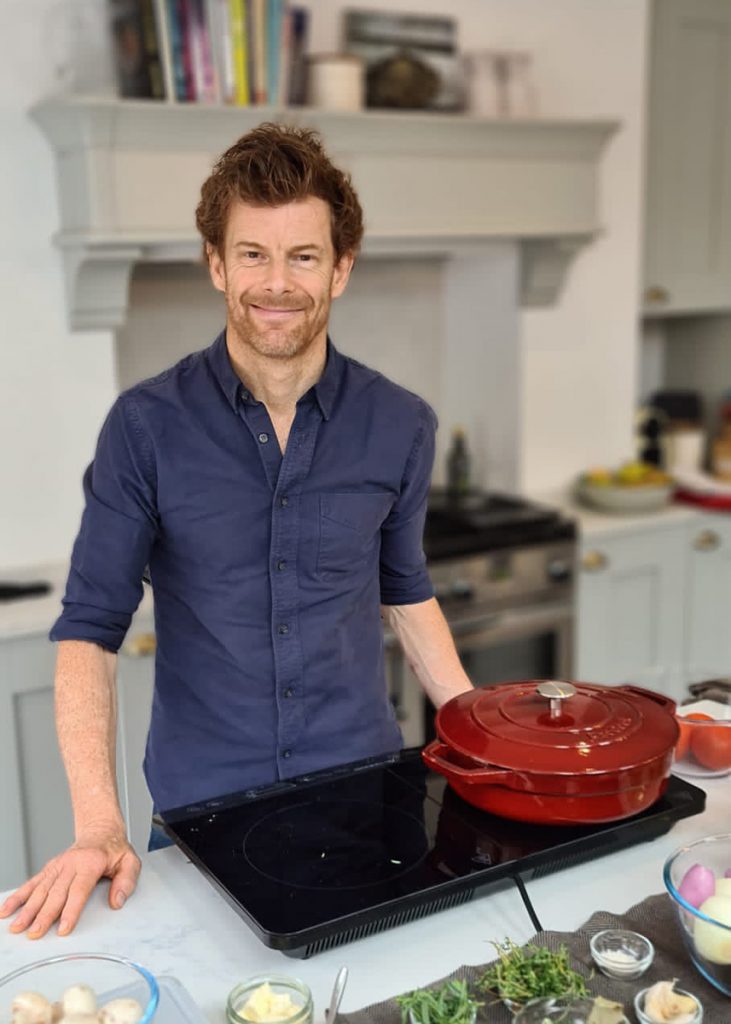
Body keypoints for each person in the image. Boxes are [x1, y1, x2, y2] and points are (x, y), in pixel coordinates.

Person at [0, 123, 473, 940]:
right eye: (252, 253)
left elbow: (405, 590)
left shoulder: (400, 424)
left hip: (363, 793)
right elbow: (89, 629)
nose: (277, 282)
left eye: (303, 255)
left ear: (341, 267)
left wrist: (479, 731)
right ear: (216, 264)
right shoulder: (145, 429)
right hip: (200, 816)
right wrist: (97, 826)